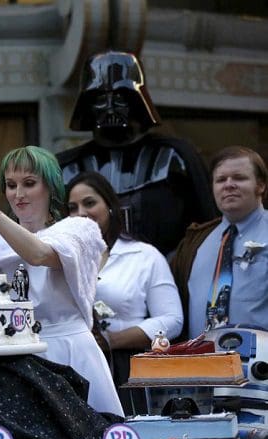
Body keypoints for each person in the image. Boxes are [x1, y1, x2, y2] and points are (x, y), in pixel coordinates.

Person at [0, 146, 124, 417]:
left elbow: (38, 253)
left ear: (51, 187)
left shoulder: (78, 228)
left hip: (69, 352)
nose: (18, 194)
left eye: (29, 184)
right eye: (11, 185)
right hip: (13, 355)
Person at [57, 51, 216, 257]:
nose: (110, 108)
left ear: (137, 101)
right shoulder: (67, 167)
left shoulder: (174, 158)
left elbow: (208, 229)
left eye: (121, 98)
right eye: (100, 100)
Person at [66, 171, 183, 414]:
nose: (81, 213)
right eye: (72, 207)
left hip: (128, 367)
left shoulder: (144, 256)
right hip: (74, 366)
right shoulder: (60, 258)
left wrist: (114, 340)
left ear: (110, 207)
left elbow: (173, 320)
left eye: (89, 203)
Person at [171, 146, 268, 339]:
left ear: (261, 185)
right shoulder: (195, 242)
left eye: (239, 178)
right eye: (221, 180)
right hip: (200, 363)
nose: (228, 185)